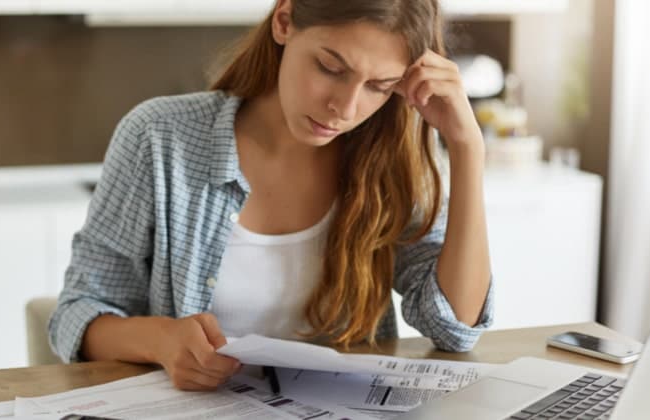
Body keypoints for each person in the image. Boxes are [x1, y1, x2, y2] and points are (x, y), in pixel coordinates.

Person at [48, 0, 494, 391]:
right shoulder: (160, 138)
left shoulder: (394, 159)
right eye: (331, 68)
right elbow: (78, 313)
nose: (346, 106)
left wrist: (466, 146)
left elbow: (453, 328)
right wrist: (163, 340)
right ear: (284, 20)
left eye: (378, 86)